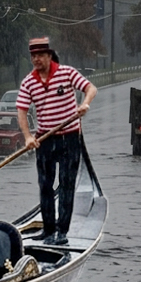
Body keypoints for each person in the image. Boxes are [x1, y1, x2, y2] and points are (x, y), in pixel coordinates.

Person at [16, 37, 98, 246]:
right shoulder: (29, 82)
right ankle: (48, 229)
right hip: (44, 139)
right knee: (45, 185)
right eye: (33, 56)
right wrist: (27, 137)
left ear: (49, 56)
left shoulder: (67, 73)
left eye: (40, 55)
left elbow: (90, 88)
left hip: (69, 137)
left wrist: (84, 104)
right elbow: (22, 110)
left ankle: (62, 231)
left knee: (66, 185)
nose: (36, 59)